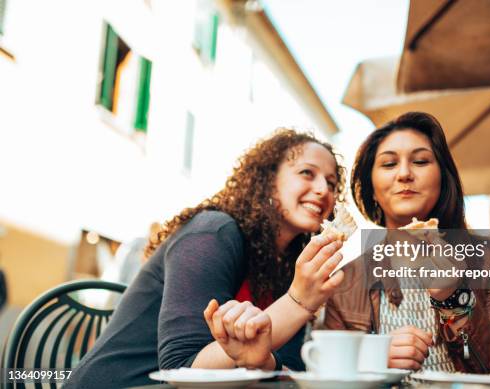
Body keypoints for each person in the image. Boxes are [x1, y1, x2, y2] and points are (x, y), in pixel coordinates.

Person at [65, 129, 346, 388]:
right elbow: (181, 370)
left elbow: (285, 368)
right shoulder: (212, 233)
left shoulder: (292, 266)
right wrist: (299, 302)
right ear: (268, 180)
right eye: (307, 173)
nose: (324, 189)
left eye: (332, 183)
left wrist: (259, 360)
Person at [324, 112, 490, 383]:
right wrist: (372, 361)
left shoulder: (487, 259)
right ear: (371, 188)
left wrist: (456, 299)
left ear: (443, 178)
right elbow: (329, 377)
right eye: (388, 164)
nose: (405, 174)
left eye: (420, 161)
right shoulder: (346, 280)